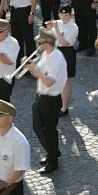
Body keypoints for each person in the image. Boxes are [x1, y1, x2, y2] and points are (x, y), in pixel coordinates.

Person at [23, 29, 68, 176]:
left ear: (48, 43)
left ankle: (52, 160)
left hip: (50, 99)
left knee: (49, 131)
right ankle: (52, 152)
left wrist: (34, 69)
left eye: (39, 42)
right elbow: (39, 75)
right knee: (37, 127)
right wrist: (30, 68)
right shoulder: (45, 54)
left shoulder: (56, 59)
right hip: (41, 96)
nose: (37, 44)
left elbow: (48, 81)